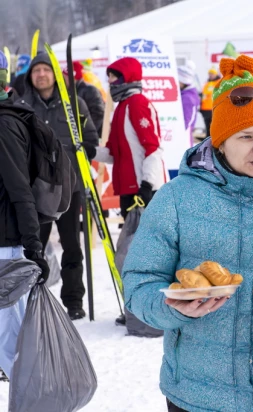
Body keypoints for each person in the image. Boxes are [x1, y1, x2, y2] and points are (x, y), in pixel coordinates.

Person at [122, 55, 253, 412]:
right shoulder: (177, 198)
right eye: (247, 136)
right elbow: (139, 282)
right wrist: (172, 307)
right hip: (194, 394)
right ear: (220, 141)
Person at [20, 51, 98, 320]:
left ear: (55, 74)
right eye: (36, 71)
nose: (41, 75)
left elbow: (91, 140)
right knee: (34, 247)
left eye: (46, 69)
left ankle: (74, 300)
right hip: (36, 190)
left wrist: (79, 153)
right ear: (30, 76)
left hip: (68, 188)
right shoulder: (23, 105)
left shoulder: (73, 103)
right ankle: (33, 297)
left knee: (72, 247)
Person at [0, 50, 50, 378]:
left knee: (9, 331)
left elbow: (20, 190)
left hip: (6, 243)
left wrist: (34, 245)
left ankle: (33, 384)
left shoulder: (4, 124)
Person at [95, 56, 168, 219]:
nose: (109, 82)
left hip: (144, 189)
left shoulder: (137, 103)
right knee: (132, 242)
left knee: (146, 242)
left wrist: (147, 185)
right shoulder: (122, 107)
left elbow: (153, 148)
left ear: (125, 78)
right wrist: (90, 151)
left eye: (113, 77)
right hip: (128, 189)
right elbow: (113, 153)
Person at [63, 61, 105, 136]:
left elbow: (98, 114)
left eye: (64, 77)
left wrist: (88, 133)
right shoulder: (68, 91)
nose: (62, 80)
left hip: (92, 136)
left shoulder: (90, 90)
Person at [177, 64, 201, 144]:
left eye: (178, 81)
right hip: (185, 136)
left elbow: (186, 122)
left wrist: (176, 133)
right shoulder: (187, 94)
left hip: (184, 137)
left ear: (183, 82)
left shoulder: (188, 97)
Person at [200, 66, 220, 137]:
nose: (210, 75)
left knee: (213, 128)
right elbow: (204, 95)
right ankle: (208, 142)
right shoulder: (206, 83)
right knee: (207, 128)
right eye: (209, 73)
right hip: (205, 109)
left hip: (214, 109)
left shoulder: (219, 83)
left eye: (212, 73)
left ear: (216, 74)